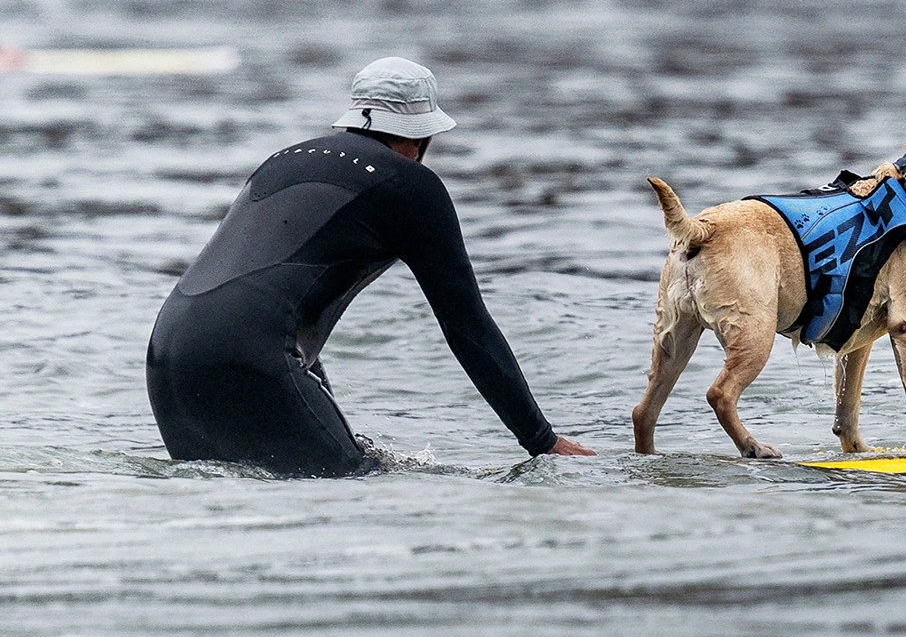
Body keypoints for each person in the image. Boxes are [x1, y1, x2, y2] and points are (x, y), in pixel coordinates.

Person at [145, 58, 593, 477]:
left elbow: (266, 302)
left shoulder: (282, 160)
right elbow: (467, 324)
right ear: (421, 136)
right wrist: (541, 440)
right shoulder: (412, 186)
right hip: (251, 357)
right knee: (352, 493)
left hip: (167, 356)